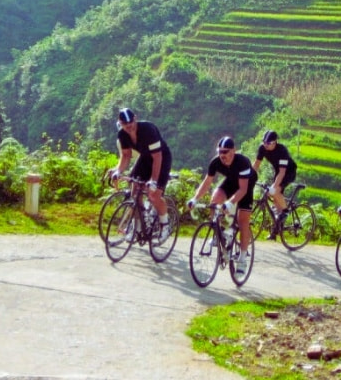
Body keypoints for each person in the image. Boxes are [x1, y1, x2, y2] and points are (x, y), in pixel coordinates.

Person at [187, 136, 257, 277]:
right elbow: (207, 182)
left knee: (243, 220)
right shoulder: (216, 162)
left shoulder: (242, 162)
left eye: (225, 151)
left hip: (246, 184)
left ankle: (242, 259)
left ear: (233, 151)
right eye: (220, 151)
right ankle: (220, 231)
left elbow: (242, 190)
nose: (222, 155)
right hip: (231, 181)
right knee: (215, 199)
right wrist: (195, 199)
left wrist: (230, 202)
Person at [108, 108, 173, 241]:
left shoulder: (148, 129)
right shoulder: (122, 134)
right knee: (134, 193)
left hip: (161, 158)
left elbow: (157, 157)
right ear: (120, 123)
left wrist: (153, 181)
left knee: (154, 195)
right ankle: (137, 227)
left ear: (135, 118)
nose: (128, 126)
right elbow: (126, 156)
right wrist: (118, 171)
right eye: (124, 124)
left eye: (130, 122)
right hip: (145, 158)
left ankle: (165, 225)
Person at [252, 130, 298, 239]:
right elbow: (256, 165)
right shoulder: (262, 148)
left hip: (288, 172)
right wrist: (249, 177)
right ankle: (275, 231)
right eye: (264, 142)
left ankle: (285, 212)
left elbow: (282, 173)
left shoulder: (282, 151)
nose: (265, 145)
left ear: (275, 142)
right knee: (274, 200)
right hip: (278, 170)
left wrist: (274, 187)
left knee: (275, 190)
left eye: (268, 143)